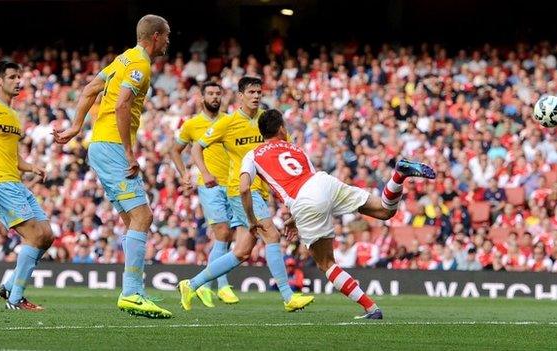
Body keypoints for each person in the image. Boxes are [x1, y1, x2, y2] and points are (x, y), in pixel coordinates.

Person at [239, 109, 436, 319]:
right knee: (385, 210)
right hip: (324, 182)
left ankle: (372, 309)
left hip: (304, 199)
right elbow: (311, 183)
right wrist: (296, 218)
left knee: (326, 263)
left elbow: (243, 188)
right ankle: (398, 175)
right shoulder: (295, 149)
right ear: (281, 129)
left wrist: (252, 220)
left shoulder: (253, 154)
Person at [53, 14, 171, 319]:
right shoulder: (140, 64)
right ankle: (132, 292)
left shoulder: (122, 59)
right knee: (142, 216)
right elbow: (121, 104)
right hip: (113, 146)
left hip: (99, 145)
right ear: (155, 36)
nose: (169, 41)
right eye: (167, 35)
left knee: (132, 221)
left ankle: (134, 289)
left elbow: (91, 88)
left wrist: (77, 125)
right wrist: (130, 154)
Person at [178, 77, 314, 312]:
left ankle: (192, 284)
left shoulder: (268, 121)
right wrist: (205, 172)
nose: (256, 96)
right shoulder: (228, 123)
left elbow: (286, 148)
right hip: (240, 191)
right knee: (271, 235)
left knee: (241, 252)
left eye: (259, 92)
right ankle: (288, 296)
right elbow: (197, 147)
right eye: (251, 91)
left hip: (260, 192)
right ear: (240, 95)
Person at [0, 61, 53, 310]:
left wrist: (31, 167)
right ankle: (15, 298)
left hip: (16, 182)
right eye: (13, 77)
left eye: (20, 77)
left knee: (47, 236)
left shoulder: (13, 115)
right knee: (34, 235)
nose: (19, 81)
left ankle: (8, 285)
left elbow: (14, 157)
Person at [170, 81, 239, 307]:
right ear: (202, 98)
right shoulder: (192, 124)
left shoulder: (229, 121)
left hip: (232, 183)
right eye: (210, 93)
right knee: (222, 232)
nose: (215, 97)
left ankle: (204, 287)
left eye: (218, 93)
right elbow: (175, 150)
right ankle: (223, 286)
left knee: (227, 236)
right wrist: (183, 174)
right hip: (208, 184)